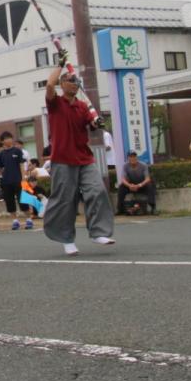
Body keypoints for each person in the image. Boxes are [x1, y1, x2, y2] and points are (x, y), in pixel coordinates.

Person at [44, 67, 115, 256]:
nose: (74, 84)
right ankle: (67, 239)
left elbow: (90, 124)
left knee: (97, 190)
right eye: (70, 80)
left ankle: (98, 232)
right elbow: (49, 84)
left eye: (76, 81)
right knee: (66, 201)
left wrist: (96, 123)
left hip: (84, 157)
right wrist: (59, 66)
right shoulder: (55, 103)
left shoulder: (82, 106)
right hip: (62, 159)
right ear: (62, 84)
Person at [0, 131, 31, 230]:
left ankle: (29, 220)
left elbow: (22, 164)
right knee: (9, 202)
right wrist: (1, 174)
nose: (10, 139)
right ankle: (15, 221)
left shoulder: (17, 151)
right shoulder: (0, 154)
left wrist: (23, 177)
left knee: (23, 201)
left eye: (10, 137)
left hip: (19, 180)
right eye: (7, 138)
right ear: (2, 141)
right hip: (6, 182)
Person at [116, 151, 157, 215]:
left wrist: (139, 185)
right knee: (121, 187)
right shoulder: (125, 166)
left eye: (134, 156)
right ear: (128, 158)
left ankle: (153, 208)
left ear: (137, 157)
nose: (133, 158)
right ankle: (120, 209)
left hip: (142, 185)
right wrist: (129, 185)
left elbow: (147, 179)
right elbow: (123, 179)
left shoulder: (143, 165)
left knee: (150, 185)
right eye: (131, 157)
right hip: (131, 186)